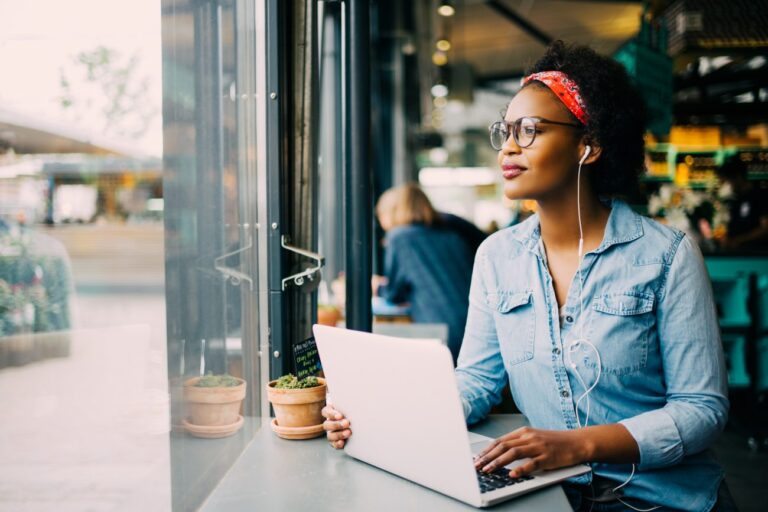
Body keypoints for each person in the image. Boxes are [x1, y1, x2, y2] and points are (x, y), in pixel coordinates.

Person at [324, 41, 734, 512]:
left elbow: (702, 409)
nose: (509, 147)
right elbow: (477, 380)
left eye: (531, 130)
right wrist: (383, 417)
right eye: (506, 131)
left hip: (661, 500)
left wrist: (578, 445)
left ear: (589, 145)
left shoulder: (667, 255)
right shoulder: (497, 256)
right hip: (549, 494)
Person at [373, 183, 486, 363]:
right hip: (477, 326)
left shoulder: (400, 237)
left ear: (390, 212)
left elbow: (394, 293)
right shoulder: (452, 233)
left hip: (440, 330)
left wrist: (376, 287)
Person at [718, 156, 768, 251]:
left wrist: (739, 240)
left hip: (757, 254)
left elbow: (765, 228)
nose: (728, 185)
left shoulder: (760, 196)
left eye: (729, 180)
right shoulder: (736, 200)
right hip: (737, 254)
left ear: (739, 177)